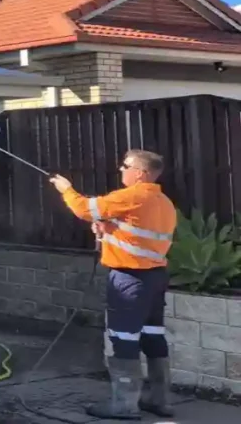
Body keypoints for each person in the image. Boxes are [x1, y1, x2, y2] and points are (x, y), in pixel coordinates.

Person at [50, 149, 176, 421]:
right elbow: (139, 236)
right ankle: (159, 400)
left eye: (125, 166)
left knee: (123, 339)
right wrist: (108, 230)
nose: (121, 169)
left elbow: (84, 209)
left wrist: (66, 189)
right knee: (153, 336)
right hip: (154, 278)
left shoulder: (133, 195)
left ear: (141, 173)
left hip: (129, 280)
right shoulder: (162, 201)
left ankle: (124, 405)